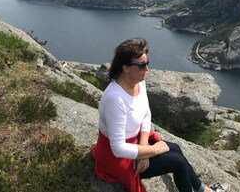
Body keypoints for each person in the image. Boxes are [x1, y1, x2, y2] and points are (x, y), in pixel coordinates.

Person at [92, 37, 225, 192]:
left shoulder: (138, 82)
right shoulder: (115, 99)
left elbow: (146, 113)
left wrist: (143, 149)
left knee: (174, 148)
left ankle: (203, 189)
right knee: (177, 162)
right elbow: (118, 148)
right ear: (126, 67)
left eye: (147, 63)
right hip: (117, 159)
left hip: (136, 144)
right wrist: (153, 150)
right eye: (142, 65)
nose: (147, 69)